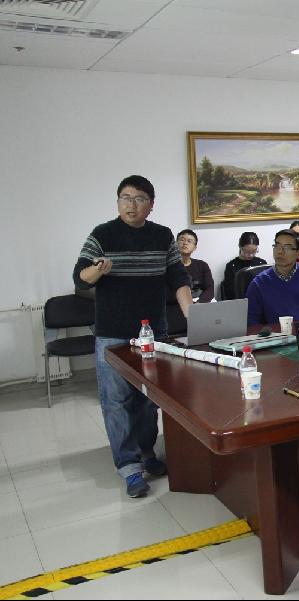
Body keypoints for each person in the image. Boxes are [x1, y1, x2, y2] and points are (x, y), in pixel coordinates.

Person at [73, 175, 192, 498]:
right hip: (112, 334)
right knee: (116, 401)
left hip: (153, 333)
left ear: (150, 205)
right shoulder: (103, 234)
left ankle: (147, 453)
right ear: (118, 202)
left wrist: (191, 313)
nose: (131, 204)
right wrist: (98, 270)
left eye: (139, 199)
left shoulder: (162, 235)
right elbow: (80, 278)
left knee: (148, 400)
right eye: (125, 198)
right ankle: (128, 466)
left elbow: (178, 277)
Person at [222, 232, 267, 300]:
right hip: (241, 301)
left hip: (260, 299)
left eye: (254, 251)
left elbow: (266, 285)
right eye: (247, 251)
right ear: (240, 247)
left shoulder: (261, 263)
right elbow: (229, 292)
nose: (251, 255)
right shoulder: (231, 266)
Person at [176, 229, 214, 303]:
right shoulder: (169, 266)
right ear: (176, 244)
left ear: (195, 247)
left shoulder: (202, 265)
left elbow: (210, 289)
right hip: (177, 303)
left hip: (199, 301)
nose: (185, 243)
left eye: (189, 241)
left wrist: (199, 302)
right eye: (182, 240)